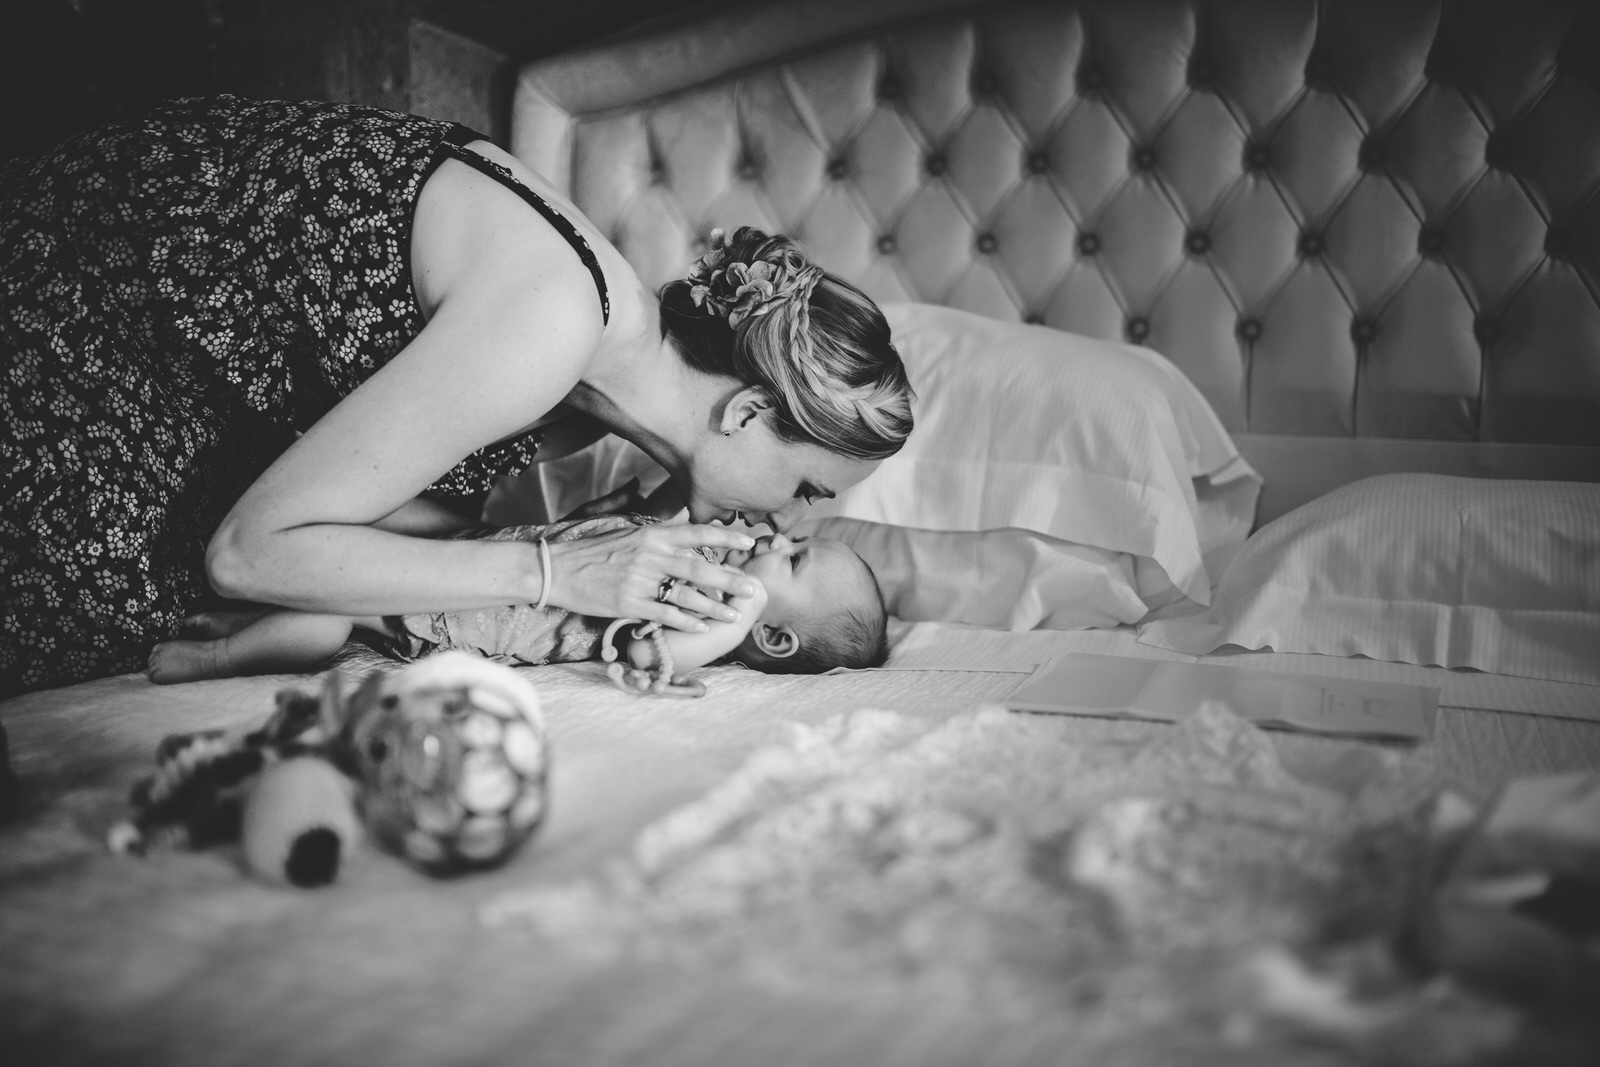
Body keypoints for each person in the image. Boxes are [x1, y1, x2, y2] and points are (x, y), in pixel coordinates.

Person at [0, 96, 914, 697]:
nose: (788, 522)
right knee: (85, 620)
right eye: (806, 489)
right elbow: (245, 554)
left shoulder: (584, 388)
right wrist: (552, 573)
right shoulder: (552, 323)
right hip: (79, 299)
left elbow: (373, 513)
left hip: (182, 374)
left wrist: (559, 548)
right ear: (747, 413)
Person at [143, 517, 889, 687]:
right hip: (487, 558)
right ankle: (242, 618)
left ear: (775, 637)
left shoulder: (708, 623)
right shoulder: (708, 559)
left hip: (467, 620)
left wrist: (730, 627)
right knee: (354, 559)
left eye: (793, 557)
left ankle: (220, 655)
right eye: (795, 536)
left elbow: (644, 653)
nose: (778, 536)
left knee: (332, 613)